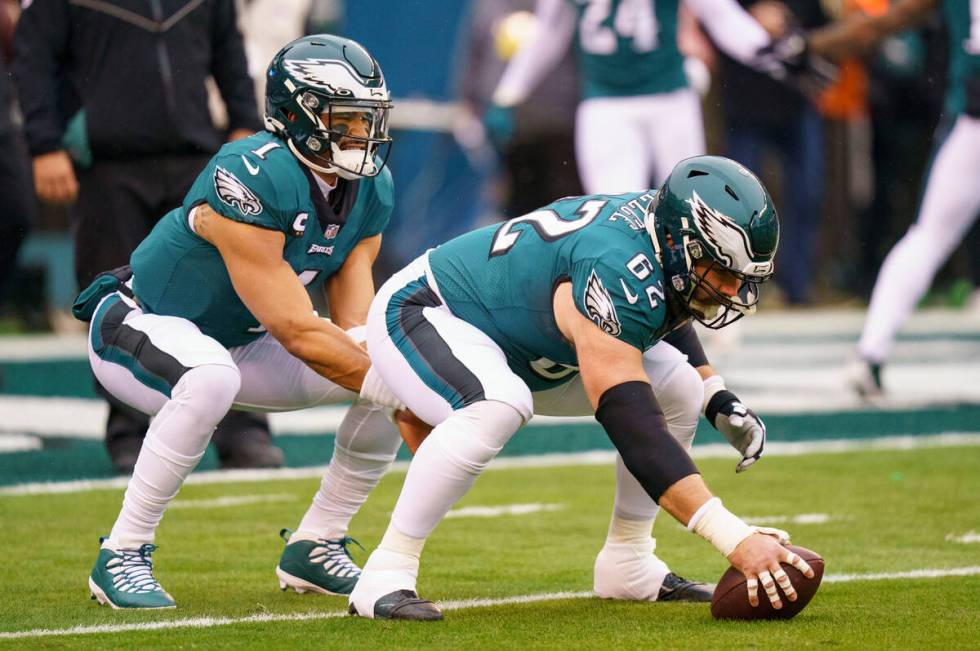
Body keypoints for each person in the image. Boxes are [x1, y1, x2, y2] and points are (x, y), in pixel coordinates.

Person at [348, 155, 815, 621]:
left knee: (682, 388)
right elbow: (632, 423)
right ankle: (386, 571)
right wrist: (734, 537)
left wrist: (714, 392)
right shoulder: (615, 262)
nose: (734, 291)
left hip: (523, 343)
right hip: (428, 311)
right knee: (497, 403)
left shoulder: (664, 237)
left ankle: (628, 561)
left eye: (743, 278)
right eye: (725, 273)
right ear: (680, 243)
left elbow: (663, 304)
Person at [72, 34, 408, 610]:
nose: (363, 135)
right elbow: (296, 330)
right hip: (136, 323)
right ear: (299, 116)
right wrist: (419, 396)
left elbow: (354, 324)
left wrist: (406, 381)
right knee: (210, 377)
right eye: (348, 118)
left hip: (237, 344)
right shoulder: (251, 173)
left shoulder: (369, 187)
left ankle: (317, 541)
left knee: (395, 362)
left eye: (370, 118)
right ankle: (122, 551)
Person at [11, 0, 279, 472]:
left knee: (229, 295)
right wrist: (45, 145)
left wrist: (244, 123)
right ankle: (129, 431)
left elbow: (228, 51)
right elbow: (34, 57)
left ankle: (244, 431)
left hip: (197, 161)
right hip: (107, 165)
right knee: (119, 301)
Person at [808, 0, 980, 396]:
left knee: (928, 236)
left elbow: (890, 20)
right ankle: (869, 354)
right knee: (929, 236)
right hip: (971, 115)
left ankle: (870, 352)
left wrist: (810, 46)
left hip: (971, 118)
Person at [489, 0, 834, 195]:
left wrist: (773, 57)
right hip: (607, 104)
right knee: (616, 213)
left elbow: (719, 14)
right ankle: (631, 311)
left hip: (669, 99)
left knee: (690, 207)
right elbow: (549, 33)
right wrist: (508, 94)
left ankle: (700, 312)